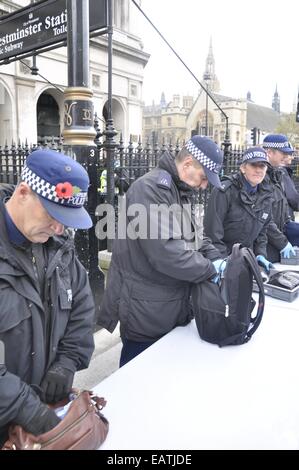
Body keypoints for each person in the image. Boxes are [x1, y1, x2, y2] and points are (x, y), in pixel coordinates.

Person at [98, 135, 226, 366]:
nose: (205, 185)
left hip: (169, 305)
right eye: (204, 177)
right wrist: (209, 269)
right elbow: (166, 253)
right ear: (187, 164)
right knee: (137, 382)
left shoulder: (180, 192)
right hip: (147, 313)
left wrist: (218, 259)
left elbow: (197, 237)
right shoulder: (150, 190)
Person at [0, 149, 95, 447]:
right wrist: (29, 409)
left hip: (35, 419)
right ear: (24, 192)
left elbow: (81, 306)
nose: (59, 228)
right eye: (53, 215)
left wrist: (66, 362)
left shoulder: (58, 246)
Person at [204, 147, 273, 270]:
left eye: (262, 166)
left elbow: (263, 231)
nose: (258, 170)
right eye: (253, 165)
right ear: (242, 168)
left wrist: (260, 254)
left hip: (245, 260)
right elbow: (212, 232)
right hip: (222, 259)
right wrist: (220, 260)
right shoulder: (224, 191)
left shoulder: (266, 195)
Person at [262, 134, 297, 263]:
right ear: (269, 153)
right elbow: (263, 217)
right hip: (266, 246)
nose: (286, 156)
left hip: (275, 243)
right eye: (283, 153)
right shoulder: (260, 178)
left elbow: (281, 212)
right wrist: (282, 242)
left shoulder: (277, 175)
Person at [280, 148, 299, 219]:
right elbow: (292, 197)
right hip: (285, 216)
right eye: (290, 155)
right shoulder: (282, 172)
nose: (292, 157)